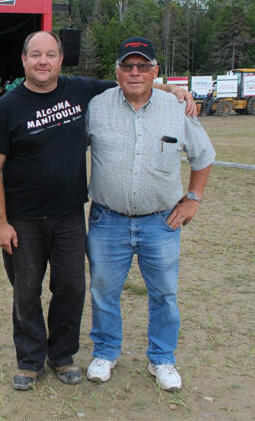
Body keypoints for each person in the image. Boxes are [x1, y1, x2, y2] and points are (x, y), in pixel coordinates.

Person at [0, 31, 196, 391]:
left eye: (50, 54)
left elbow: (132, 80)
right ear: (23, 60)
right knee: (26, 290)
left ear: (61, 59)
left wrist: (173, 89)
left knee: (72, 289)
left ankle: (63, 356)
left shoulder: (79, 90)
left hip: (69, 216)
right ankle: (30, 361)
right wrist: (0, 223)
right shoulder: (6, 108)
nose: (43, 61)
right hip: (23, 219)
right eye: (35, 55)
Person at [84, 37, 215, 392]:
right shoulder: (96, 107)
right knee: (103, 290)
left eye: (143, 66)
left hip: (161, 221)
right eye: (128, 66)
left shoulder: (176, 109)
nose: (135, 72)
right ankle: (106, 352)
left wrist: (193, 199)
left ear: (156, 71)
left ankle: (162, 359)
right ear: (117, 71)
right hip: (107, 220)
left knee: (164, 294)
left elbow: (203, 156)